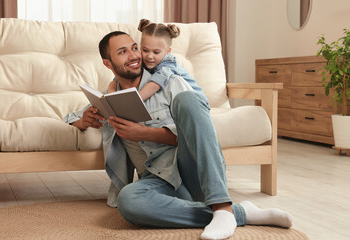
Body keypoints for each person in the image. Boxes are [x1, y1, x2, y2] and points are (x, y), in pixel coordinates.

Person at [63, 31, 293, 240]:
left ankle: (222, 207)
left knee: (188, 99)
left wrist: (144, 133)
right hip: (157, 179)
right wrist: (83, 120)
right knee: (128, 200)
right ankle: (240, 213)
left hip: (190, 168)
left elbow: (197, 129)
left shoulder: (169, 81)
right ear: (108, 62)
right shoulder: (109, 100)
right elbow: (69, 117)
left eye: (135, 47)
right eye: (122, 52)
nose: (134, 55)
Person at [107, 19, 208, 105]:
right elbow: (118, 78)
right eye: (145, 50)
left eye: (156, 52)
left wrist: (135, 102)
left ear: (168, 52)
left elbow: (155, 83)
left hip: (198, 103)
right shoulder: (144, 62)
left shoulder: (168, 64)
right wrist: (111, 93)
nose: (150, 56)